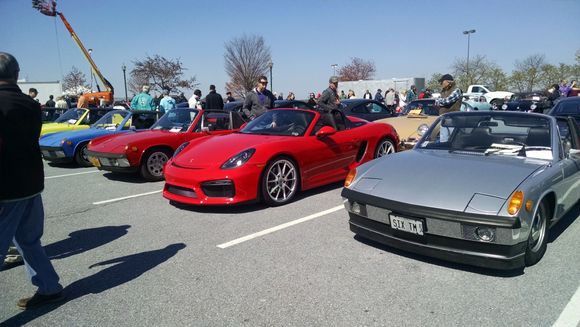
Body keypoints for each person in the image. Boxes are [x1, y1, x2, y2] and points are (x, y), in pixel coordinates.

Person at [0, 52, 64, 309]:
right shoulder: (29, 104)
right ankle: (49, 287)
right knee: (28, 241)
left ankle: (49, 287)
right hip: (31, 182)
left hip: (6, 186)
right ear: (16, 75)